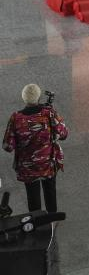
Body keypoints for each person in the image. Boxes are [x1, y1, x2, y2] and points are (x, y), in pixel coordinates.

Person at [3, 83, 68, 213]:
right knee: (50, 191)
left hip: (28, 167)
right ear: (38, 98)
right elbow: (64, 134)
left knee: (32, 195)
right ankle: (52, 219)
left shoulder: (16, 118)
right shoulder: (49, 113)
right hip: (48, 163)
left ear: (23, 98)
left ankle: (36, 220)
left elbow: (8, 146)